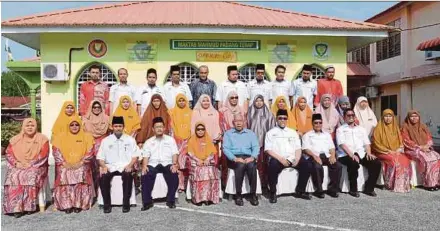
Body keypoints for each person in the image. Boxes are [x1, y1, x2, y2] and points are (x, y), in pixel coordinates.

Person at [2, 118, 49, 218]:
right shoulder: (15, 139)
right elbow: (8, 153)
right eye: (27, 126)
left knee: (29, 174)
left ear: (36, 126)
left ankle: (28, 206)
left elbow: (44, 155)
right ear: (23, 127)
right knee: (13, 175)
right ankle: (15, 207)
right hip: (19, 164)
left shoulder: (42, 139)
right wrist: (16, 163)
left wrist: (31, 164)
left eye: (32, 126)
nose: (30, 128)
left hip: (37, 166)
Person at [265, 109, 312, 202]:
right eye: (280, 118)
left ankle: (300, 191)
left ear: (287, 119)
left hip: (293, 157)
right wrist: (281, 159)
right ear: (276, 119)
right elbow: (268, 150)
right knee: (272, 166)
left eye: (285, 118)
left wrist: (297, 159)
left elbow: (298, 148)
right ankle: (273, 192)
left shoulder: (293, 132)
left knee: (306, 165)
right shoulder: (270, 133)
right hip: (278, 158)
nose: (282, 120)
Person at [97, 116, 140, 213]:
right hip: (110, 166)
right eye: (116, 126)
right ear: (112, 127)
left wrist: (130, 165)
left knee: (128, 176)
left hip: (125, 165)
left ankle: (126, 203)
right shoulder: (106, 141)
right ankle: (107, 205)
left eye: (120, 126)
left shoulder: (130, 140)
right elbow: (100, 157)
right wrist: (103, 166)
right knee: (103, 177)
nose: (118, 128)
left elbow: (135, 156)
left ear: (123, 127)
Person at [52, 117, 95, 214]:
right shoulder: (60, 137)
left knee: (80, 172)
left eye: (77, 125)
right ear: (68, 126)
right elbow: (56, 151)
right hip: (65, 164)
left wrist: (81, 162)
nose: (74, 127)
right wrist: (64, 163)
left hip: (82, 164)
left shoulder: (87, 136)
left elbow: (90, 151)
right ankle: (66, 204)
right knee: (64, 173)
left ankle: (78, 204)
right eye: (72, 125)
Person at [337, 108, 381, 197]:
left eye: (352, 115)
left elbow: (367, 143)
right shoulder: (340, 129)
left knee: (376, 163)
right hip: (345, 154)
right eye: (348, 115)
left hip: (361, 153)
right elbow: (342, 144)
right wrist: (351, 155)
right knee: (353, 163)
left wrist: (368, 153)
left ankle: (369, 188)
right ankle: (353, 189)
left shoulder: (361, 129)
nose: (351, 117)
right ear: (344, 117)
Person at [140, 117, 179, 210]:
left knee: (174, 174)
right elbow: (145, 155)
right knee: (145, 174)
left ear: (164, 128)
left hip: (167, 163)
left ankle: (170, 200)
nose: (159, 129)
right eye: (157, 127)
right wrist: (144, 166)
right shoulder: (149, 142)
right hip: (153, 164)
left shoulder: (170, 140)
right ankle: (147, 202)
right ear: (153, 129)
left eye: (161, 126)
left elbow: (175, 153)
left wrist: (174, 164)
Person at [223, 114, 260, 206]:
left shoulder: (250, 133)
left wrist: (252, 157)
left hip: (248, 157)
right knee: (240, 165)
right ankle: (238, 195)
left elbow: (256, 147)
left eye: (240, 121)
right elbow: (225, 149)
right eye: (236, 121)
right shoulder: (228, 134)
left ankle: (253, 194)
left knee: (252, 166)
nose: (239, 123)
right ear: (233, 122)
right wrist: (234, 158)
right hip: (234, 158)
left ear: (244, 122)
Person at [302, 114, 342, 198]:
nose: (318, 125)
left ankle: (333, 189)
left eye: (320, 123)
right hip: (314, 155)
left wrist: (332, 156)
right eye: (316, 123)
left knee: (338, 166)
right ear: (312, 123)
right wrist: (314, 156)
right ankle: (319, 191)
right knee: (317, 167)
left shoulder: (327, 135)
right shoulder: (307, 135)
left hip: (326, 155)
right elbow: (305, 149)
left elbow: (332, 147)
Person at [372, 109, 412, 193]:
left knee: (405, 160)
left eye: (390, 116)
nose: (388, 118)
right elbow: (376, 143)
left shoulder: (396, 128)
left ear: (393, 117)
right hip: (381, 152)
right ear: (382, 117)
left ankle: (403, 184)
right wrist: (388, 151)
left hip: (395, 151)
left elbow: (400, 142)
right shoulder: (378, 128)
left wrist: (398, 150)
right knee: (394, 160)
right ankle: (391, 184)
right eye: (386, 116)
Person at [402, 110, 440, 191]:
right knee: (427, 159)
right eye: (412, 116)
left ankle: (436, 182)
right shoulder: (405, 127)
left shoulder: (423, 126)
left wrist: (427, 145)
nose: (414, 118)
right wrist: (420, 147)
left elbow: (429, 137)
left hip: (425, 148)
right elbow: (406, 141)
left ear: (419, 117)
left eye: (416, 116)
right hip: (412, 150)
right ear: (408, 117)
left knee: (437, 157)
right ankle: (428, 184)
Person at [184, 122, 221, 205]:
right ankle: (198, 199)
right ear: (195, 130)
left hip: (207, 162)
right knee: (199, 172)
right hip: (196, 162)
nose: (200, 131)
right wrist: (198, 160)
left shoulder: (208, 139)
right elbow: (190, 153)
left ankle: (209, 198)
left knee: (211, 172)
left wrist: (207, 160)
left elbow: (212, 152)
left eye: (202, 129)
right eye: (198, 129)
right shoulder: (192, 140)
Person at [247, 95, 276, 192]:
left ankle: (264, 183)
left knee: (265, 163)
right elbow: (247, 128)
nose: (259, 103)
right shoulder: (249, 113)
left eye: (261, 101)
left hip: (265, 143)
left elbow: (272, 130)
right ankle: (255, 183)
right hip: (253, 144)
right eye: (257, 101)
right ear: (254, 102)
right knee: (255, 163)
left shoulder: (269, 114)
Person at [82, 100, 110, 196]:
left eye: (98, 107)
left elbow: (110, 133)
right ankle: (92, 191)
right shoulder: (85, 119)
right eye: (94, 107)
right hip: (90, 145)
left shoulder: (107, 118)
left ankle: (102, 189)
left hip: (103, 146)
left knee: (102, 168)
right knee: (91, 168)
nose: (96, 109)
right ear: (91, 108)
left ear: (101, 108)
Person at [168, 94, 192, 192]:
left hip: (188, 141)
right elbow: (171, 126)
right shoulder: (171, 112)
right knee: (177, 163)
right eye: (179, 100)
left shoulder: (191, 112)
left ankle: (186, 185)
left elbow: (193, 126)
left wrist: (188, 139)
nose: (181, 102)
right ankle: (178, 185)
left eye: (183, 100)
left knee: (186, 163)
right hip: (176, 141)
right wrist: (175, 138)